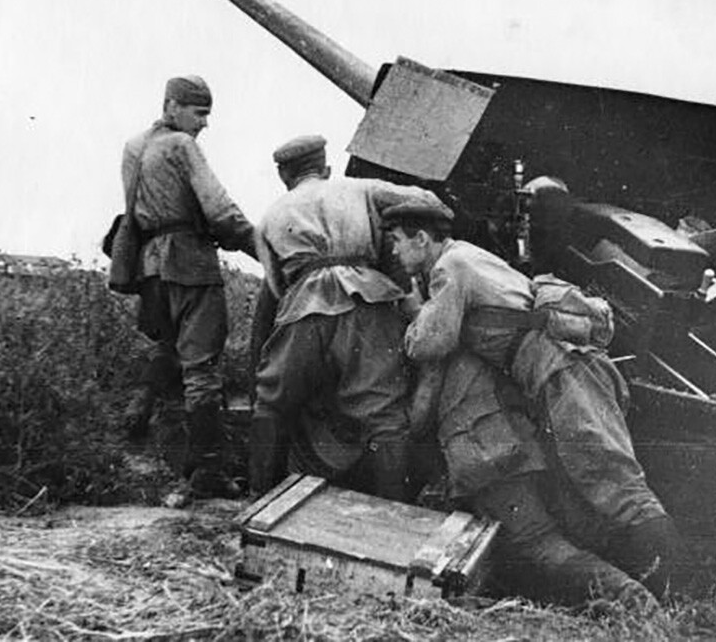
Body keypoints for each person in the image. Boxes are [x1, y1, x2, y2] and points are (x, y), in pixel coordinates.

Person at [383, 194, 681, 600]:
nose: (395, 251)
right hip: (557, 369)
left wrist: (413, 312)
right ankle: (658, 592)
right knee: (604, 483)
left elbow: (430, 343)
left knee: (614, 485)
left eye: (398, 240)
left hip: (561, 370)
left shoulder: (449, 268)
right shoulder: (468, 256)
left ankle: (669, 594)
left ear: (421, 238)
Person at [248, 135, 439, 502]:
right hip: (367, 300)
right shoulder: (359, 188)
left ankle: (260, 502)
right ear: (326, 167)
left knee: (273, 401)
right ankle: (394, 511)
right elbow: (427, 201)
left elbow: (275, 286)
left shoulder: (271, 215)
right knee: (383, 413)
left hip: (304, 304)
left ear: (284, 176)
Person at [416, 351, 655, 610]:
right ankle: (638, 586)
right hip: (527, 434)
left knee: (536, 541)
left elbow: (419, 417)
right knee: (562, 532)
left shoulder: (439, 340)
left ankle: (629, 596)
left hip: (492, 446)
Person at [121, 75, 257, 498]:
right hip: (190, 263)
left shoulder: (134, 147)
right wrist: (261, 248)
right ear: (172, 106)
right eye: (199, 113)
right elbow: (218, 210)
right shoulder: (182, 146)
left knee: (168, 345)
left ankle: (137, 409)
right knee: (202, 368)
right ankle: (209, 473)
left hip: (150, 268)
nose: (204, 124)